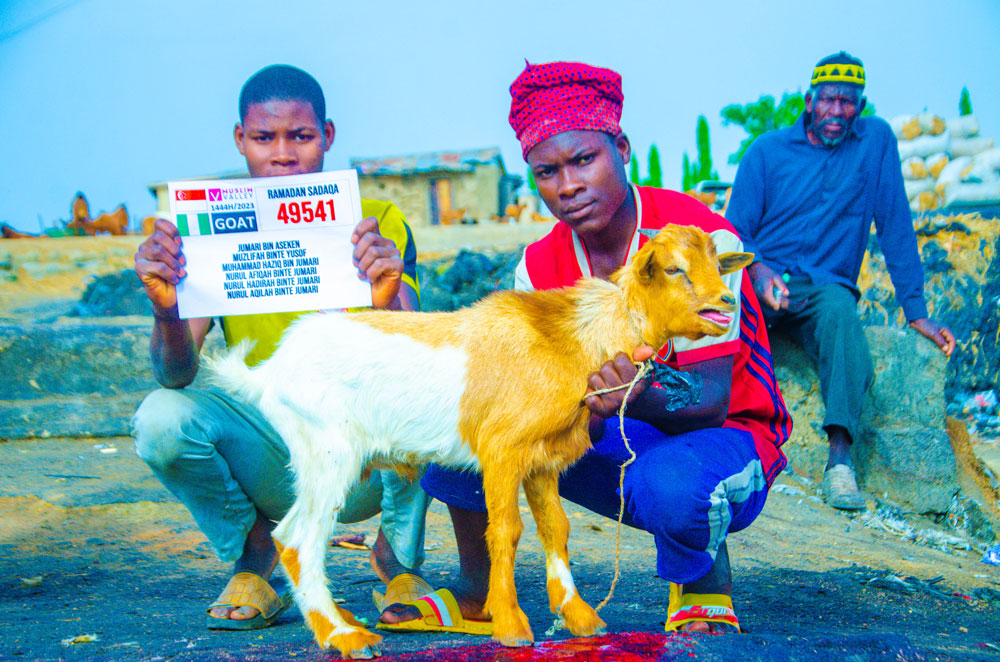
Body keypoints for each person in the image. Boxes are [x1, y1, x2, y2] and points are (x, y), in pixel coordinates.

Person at [378, 61, 791, 637]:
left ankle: (701, 577)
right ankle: (481, 591)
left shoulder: (700, 238)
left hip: (724, 439)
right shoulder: (538, 266)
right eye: (546, 171)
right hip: (602, 432)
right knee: (472, 432)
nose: (567, 186)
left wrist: (634, 393)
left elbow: (711, 401)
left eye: (583, 160)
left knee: (671, 483)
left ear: (620, 147)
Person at [131, 64, 432, 630]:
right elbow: (175, 374)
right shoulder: (207, 224)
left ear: (329, 136)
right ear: (240, 139)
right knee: (160, 420)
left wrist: (385, 295)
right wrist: (166, 308)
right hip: (271, 445)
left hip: (365, 452)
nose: (284, 154)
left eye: (302, 136)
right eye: (265, 137)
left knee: (428, 392)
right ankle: (258, 552)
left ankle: (397, 557)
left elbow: (416, 355)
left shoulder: (377, 222)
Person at [726, 52, 956, 511]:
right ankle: (725, 443)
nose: (836, 111)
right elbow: (734, 232)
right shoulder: (767, 151)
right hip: (763, 278)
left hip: (822, 287)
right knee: (725, 322)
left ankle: (840, 462)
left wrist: (917, 313)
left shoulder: (875, 144)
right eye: (828, 99)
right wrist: (759, 269)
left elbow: (896, 225)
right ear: (809, 100)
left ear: (861, 106)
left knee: (841, 314)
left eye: (848, 102)